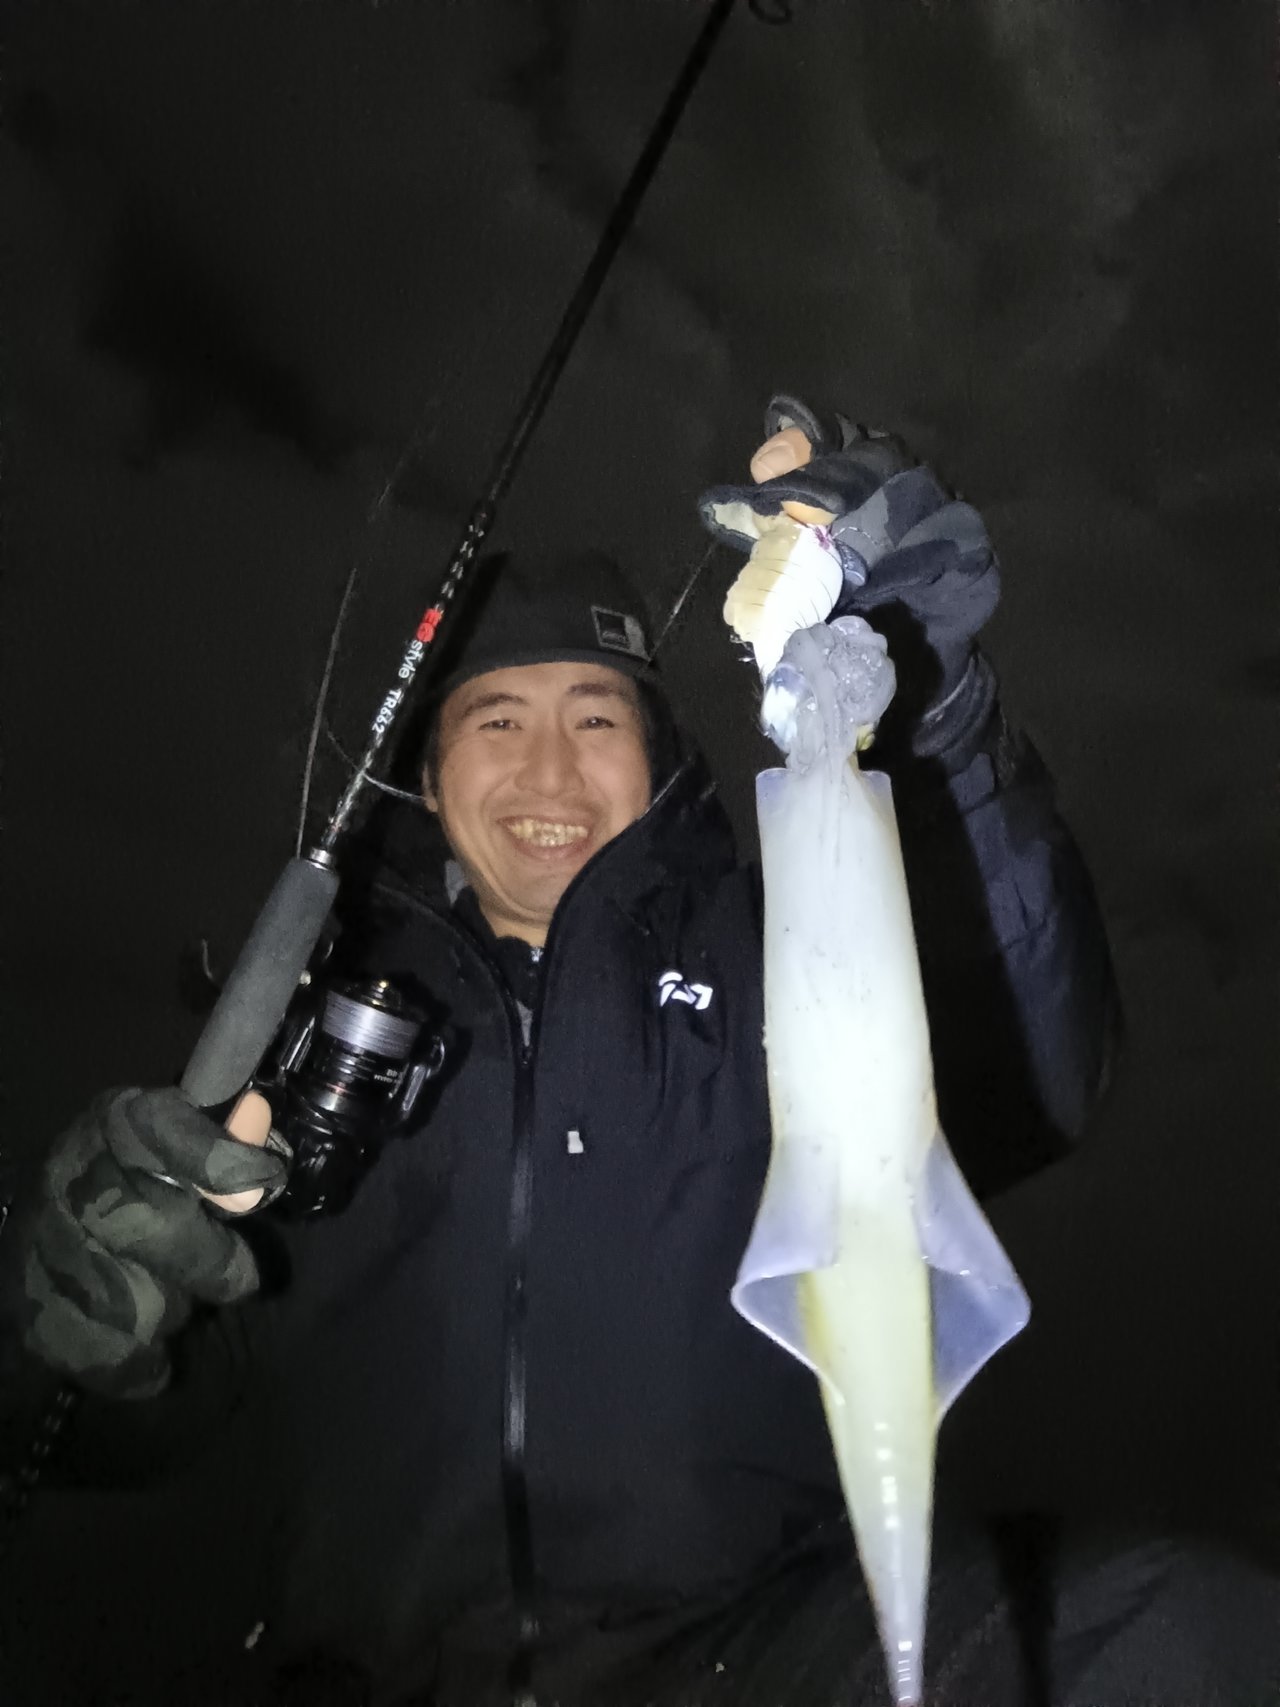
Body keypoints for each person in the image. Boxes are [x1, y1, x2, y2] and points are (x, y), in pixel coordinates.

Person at [6, 396, 1248, 1707]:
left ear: (658, 762)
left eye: (597, 719)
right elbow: (122, 1419)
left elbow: (1032, 1069)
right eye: (496, 721)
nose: (549, 771)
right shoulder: (305, 1043)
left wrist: (925, 690)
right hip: (367, 1675)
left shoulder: (780, 945)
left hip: (760, 1654)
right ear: (427, 778)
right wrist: (78, 1318)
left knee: (1176, 1640)